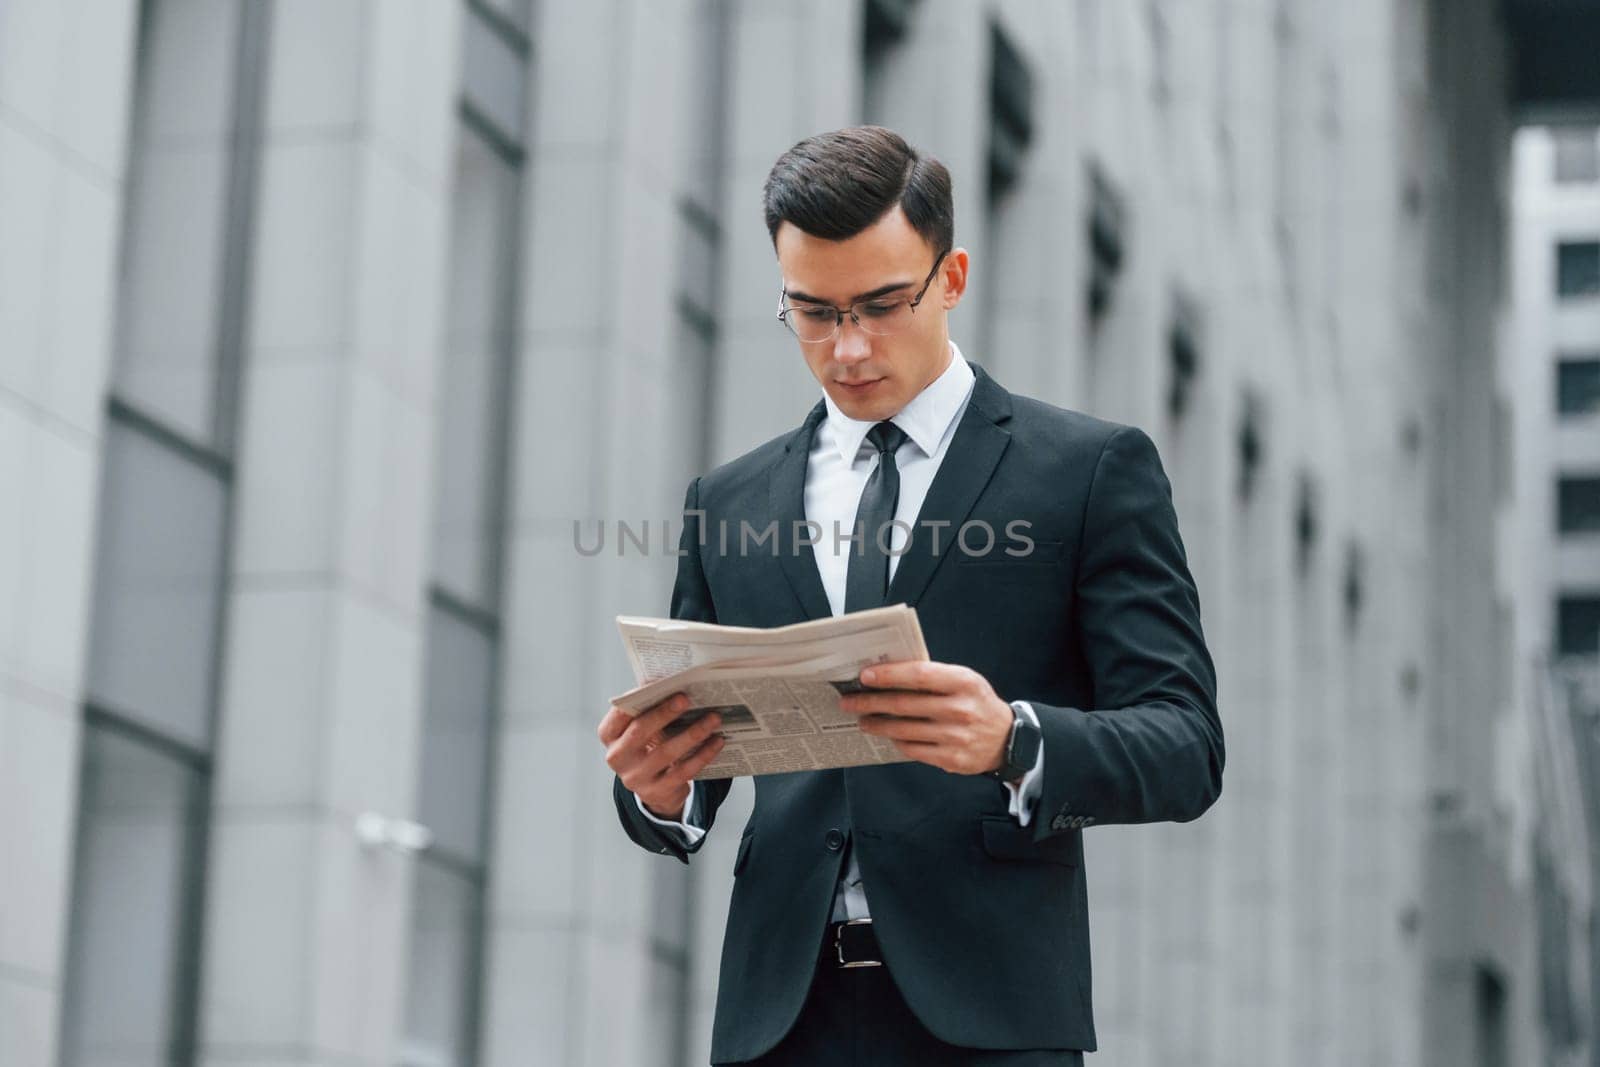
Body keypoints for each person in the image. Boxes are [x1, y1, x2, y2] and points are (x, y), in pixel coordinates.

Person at [596, 125, 1224, 1065]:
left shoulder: (1089, 472)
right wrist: (660, 791)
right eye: (812, 311)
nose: (847, 348)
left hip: (994, 1020)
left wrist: (1015, 740)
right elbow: (701, 773)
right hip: (779, 1022)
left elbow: (1186, 745)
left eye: (882, 304)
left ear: (953, 277)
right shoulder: (726, 500)